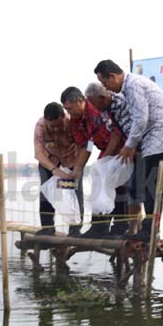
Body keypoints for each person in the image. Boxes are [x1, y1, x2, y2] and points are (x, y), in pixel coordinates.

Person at [94, 59, 163, 241]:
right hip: (153, 138)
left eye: (106, 83)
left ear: (112, 76)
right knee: (145, 184)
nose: (108, 88)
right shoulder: (129, 85)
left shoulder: (133, 85)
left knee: (151, 184)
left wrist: (129, 146)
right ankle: (148, 228)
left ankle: (151, 229)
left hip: (160, 136)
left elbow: (141, 119)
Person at [61, 86, 127, 239]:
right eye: (66, 109)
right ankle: (99, 227)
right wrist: (77, 168)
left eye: (70, 108)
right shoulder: (75, 121)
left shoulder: (97, 110)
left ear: (80, 101)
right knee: (98, 181)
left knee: (118, 185)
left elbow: (116, 134)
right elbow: (85, 145)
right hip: (105, 149)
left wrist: (105, 161)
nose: (68, 113)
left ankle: (120, 227)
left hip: (122, 147)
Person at [33, 102, 83, 236]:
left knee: (73, 191)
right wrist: (54, 170)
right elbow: (38, 153)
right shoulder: (40, 126)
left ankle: (75, 228)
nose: (55, 129)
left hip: (71, 159)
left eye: (58, 125)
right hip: (49, 161)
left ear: (63, 117)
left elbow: (83, 146)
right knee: (46, 193)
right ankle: (48, 227)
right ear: (45, 121)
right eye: (52, 126)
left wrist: (77, 168)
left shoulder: (72, 123)